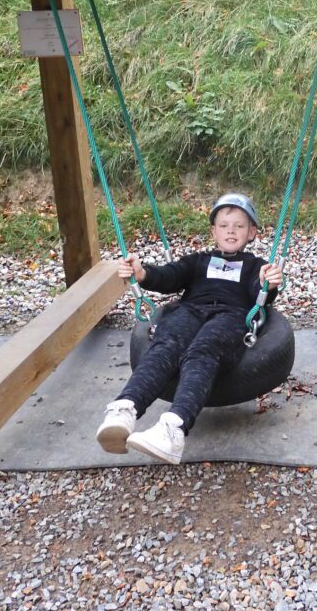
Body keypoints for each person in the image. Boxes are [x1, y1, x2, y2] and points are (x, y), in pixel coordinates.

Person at [96, 192, 283, 464]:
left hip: (230, 317)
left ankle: (173, 429)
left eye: (239, 226)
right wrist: (143, 273)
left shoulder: (255, 266)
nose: (231, 231)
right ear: (213, 231)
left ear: (251, 232)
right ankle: (125, 410)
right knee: (167, 343)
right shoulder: (198, 261)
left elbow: (260, 293)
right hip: (190, 310)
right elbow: (170, 276)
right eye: (224, 225)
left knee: (203, 350)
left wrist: (269, 283)